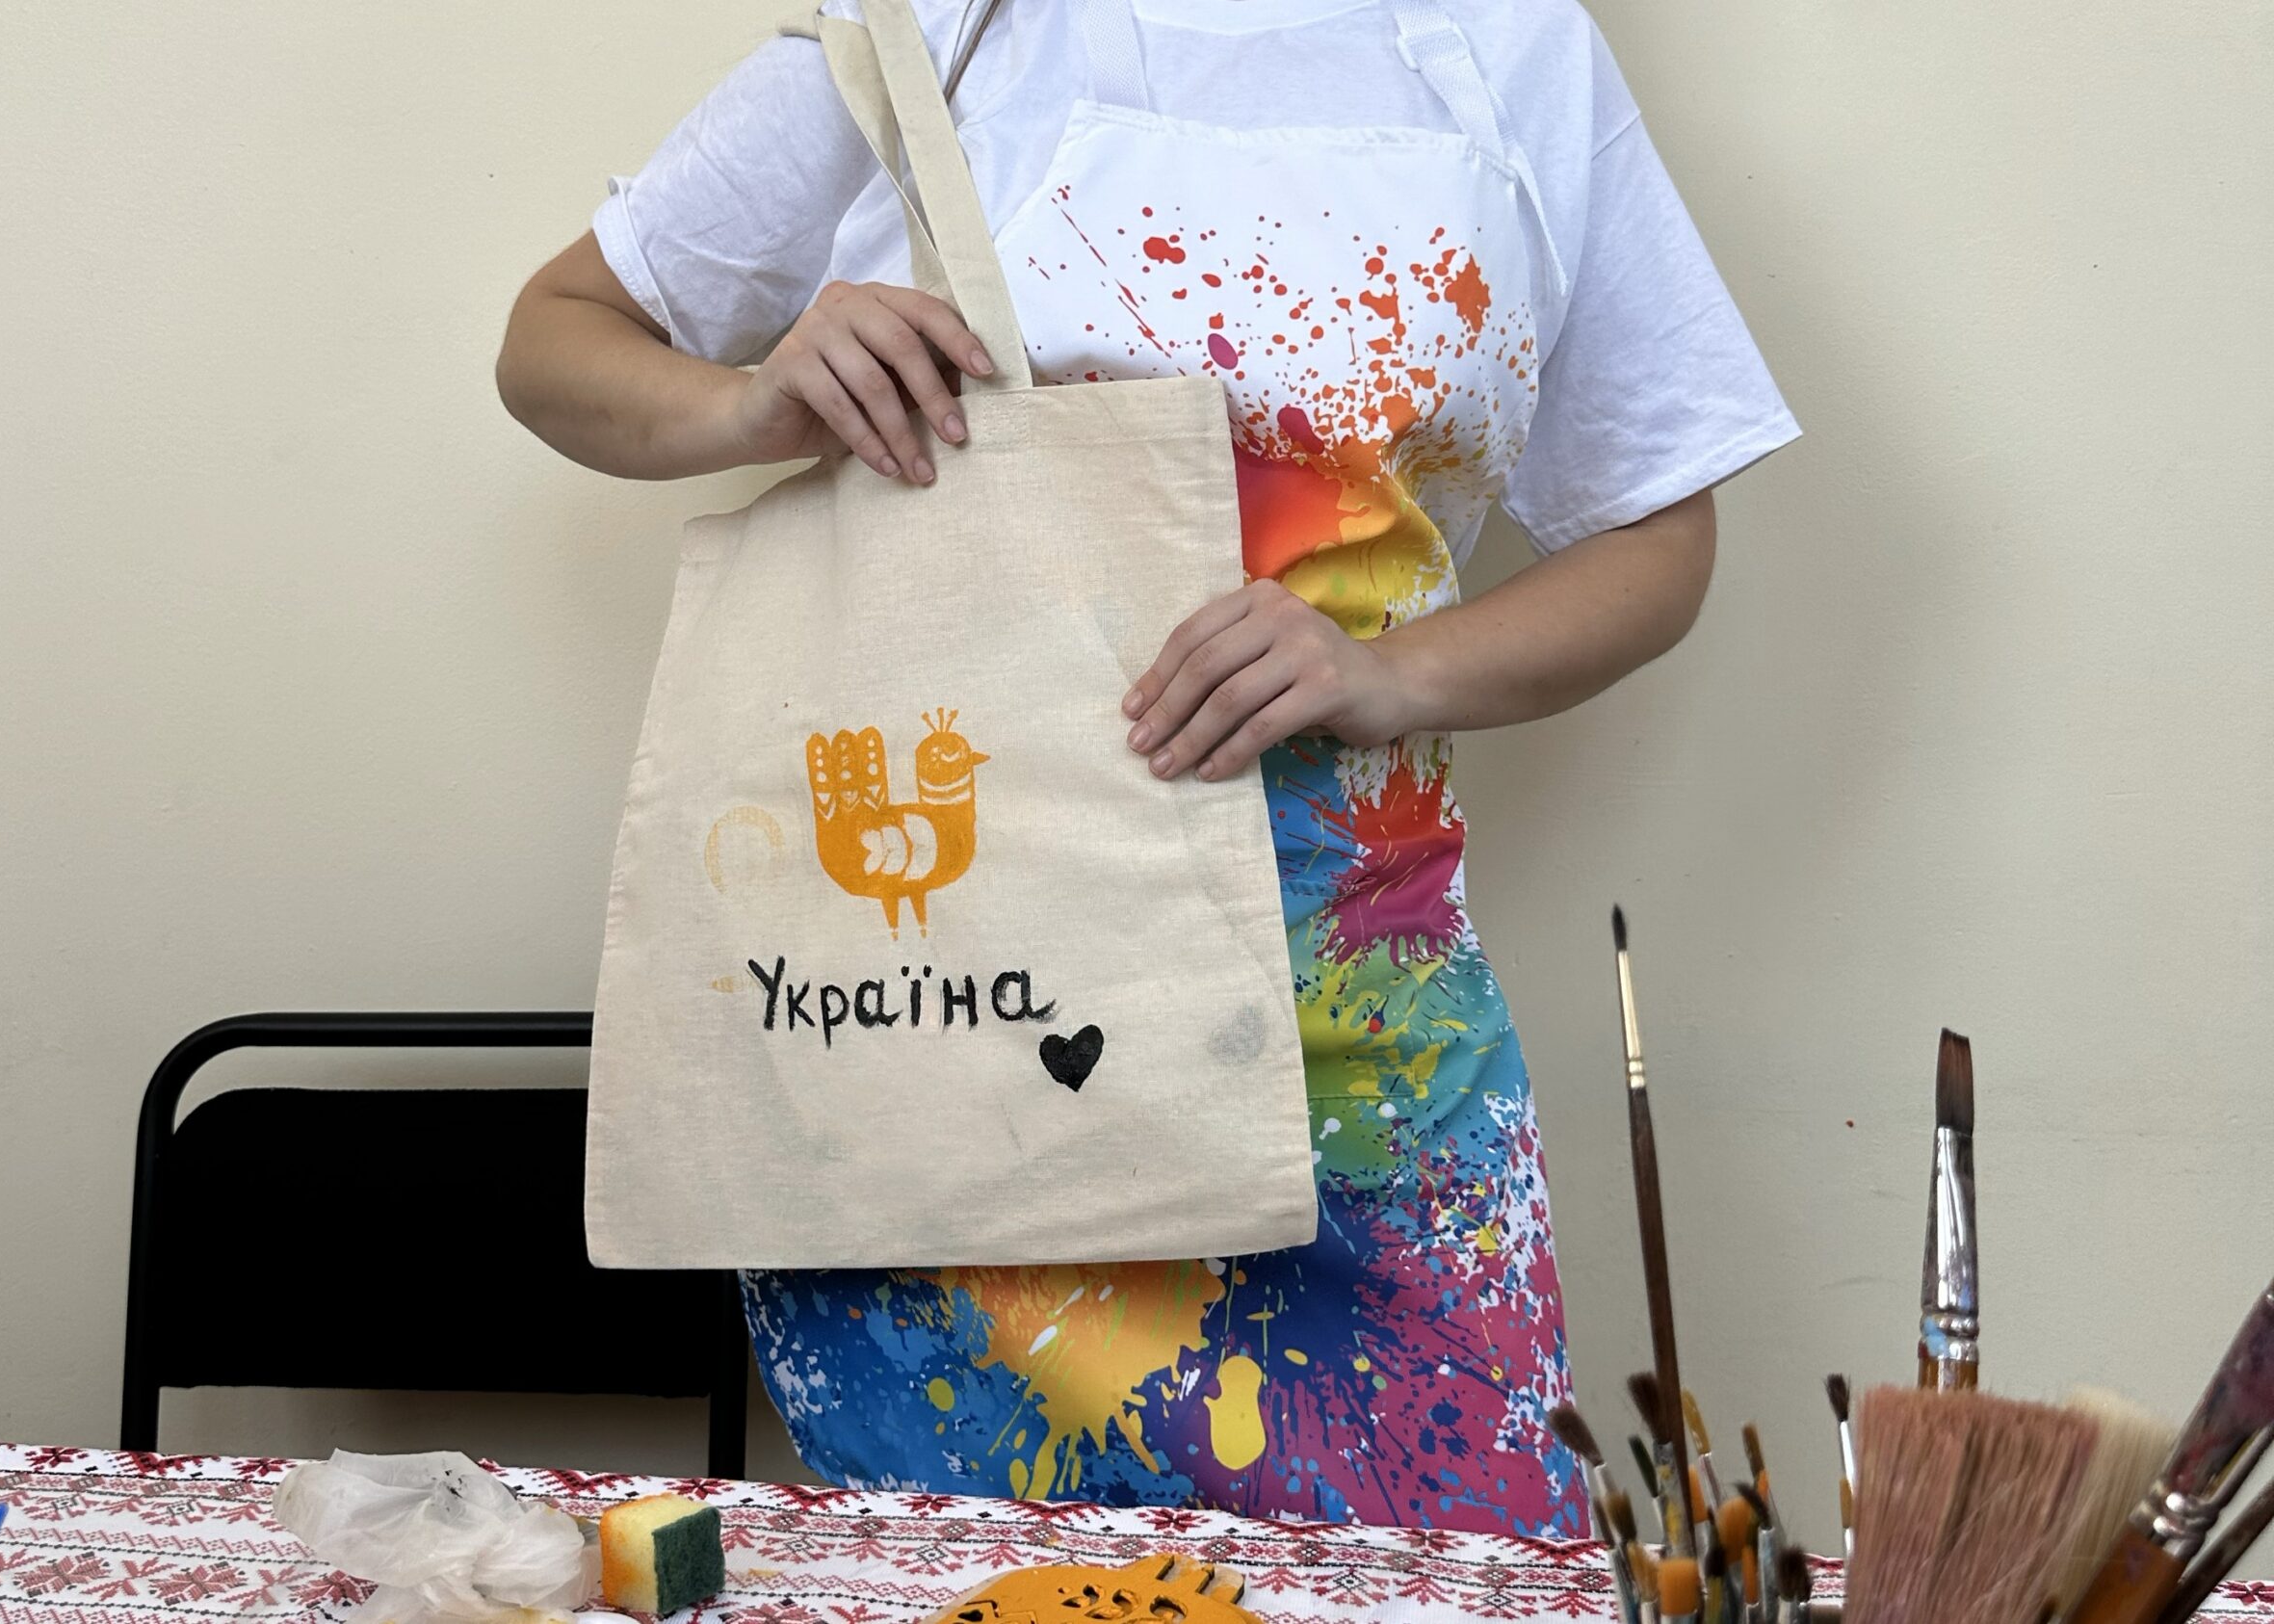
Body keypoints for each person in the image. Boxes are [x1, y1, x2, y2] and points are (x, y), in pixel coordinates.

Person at [498, 0, 1796, 1535]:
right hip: (973, 1045)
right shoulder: (934, 27)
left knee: (1457, 1566)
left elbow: (1662, 531)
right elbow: (552, 338)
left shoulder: (1511, 45)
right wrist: (755, 397)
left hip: (1363, 1059)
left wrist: (1393, 673)